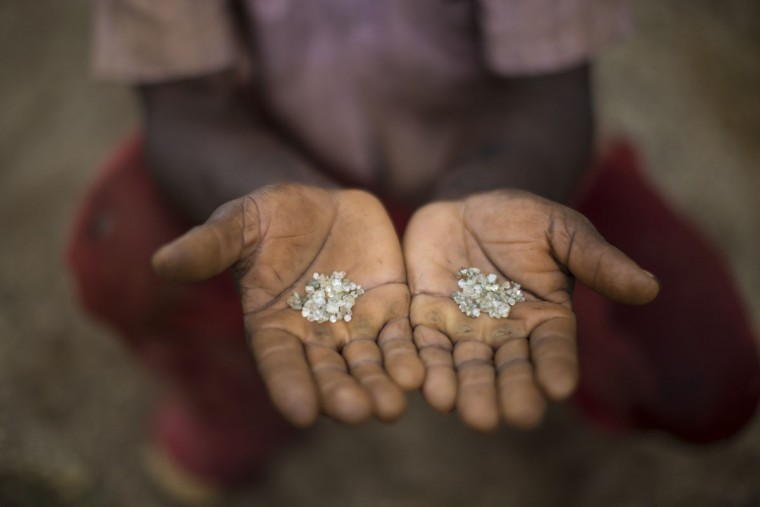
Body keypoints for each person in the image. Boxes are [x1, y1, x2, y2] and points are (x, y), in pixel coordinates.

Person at [68, 0, 759, 500]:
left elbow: (555, 97)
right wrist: (283, 199)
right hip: (269, 159)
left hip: (511, 169)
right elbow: (182, 110)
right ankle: (236, 412)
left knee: (704, 375)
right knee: (124, 254)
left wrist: (480, 199)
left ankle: (570, 372)